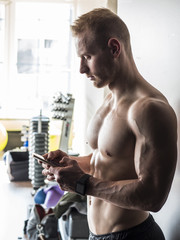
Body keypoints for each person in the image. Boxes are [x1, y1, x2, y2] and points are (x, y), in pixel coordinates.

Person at [41, 8, 177, 240]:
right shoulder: (109, 101)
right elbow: (103, 160)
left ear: (114, 48)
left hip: (132, 236)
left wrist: (83, 184)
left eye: (87, 57)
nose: (82, 69)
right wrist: (70, 165)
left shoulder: (149, 109)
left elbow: (154, 196)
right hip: (97, 234)